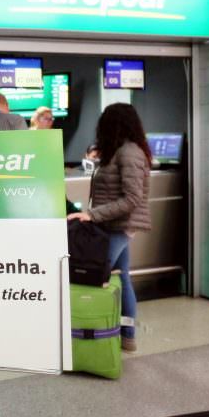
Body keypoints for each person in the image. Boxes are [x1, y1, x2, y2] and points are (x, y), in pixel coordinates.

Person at [68, 103, 152, 353]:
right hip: (113, 225)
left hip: (119, 226)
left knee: (92, 274)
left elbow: (132, 198)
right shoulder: (120, 151)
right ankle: (127, 336)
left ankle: (94, 336)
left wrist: (92, 215)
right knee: (122, 278)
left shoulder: (129, 153)